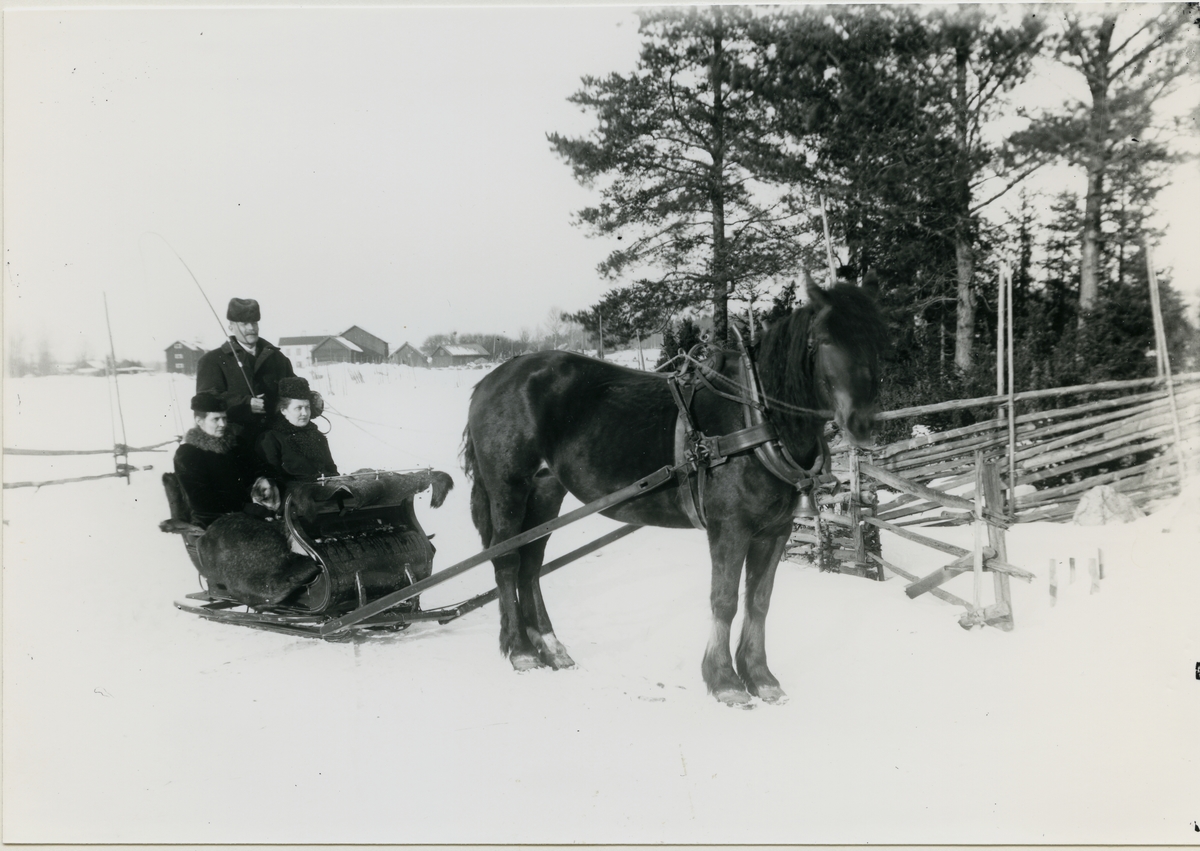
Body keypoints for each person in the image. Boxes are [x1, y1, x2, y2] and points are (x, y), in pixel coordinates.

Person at [195, 297, 295, 442]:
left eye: (254, 323)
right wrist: (246, 404)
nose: (251, 328)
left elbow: (293, 390)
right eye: (244, 324)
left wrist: (312, 399)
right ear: (231, 327)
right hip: (235, 442)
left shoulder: (277, 358)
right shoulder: (211, 360)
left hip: (276, 439)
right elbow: (205, 401)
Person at [173, 393, 258, 528]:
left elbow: (255, 469)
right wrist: (243, 507)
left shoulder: (235, 443)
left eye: (224, 418)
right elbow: (201, 500)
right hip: (213, 522)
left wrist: (263, 480)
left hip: (248, 512)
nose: (222, 424)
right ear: (199, 421)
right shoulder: (188, 453)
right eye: (216, 419)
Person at [256, 376, 339, 488]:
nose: (305, 413)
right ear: (283, 410)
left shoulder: (317, 435)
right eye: (298, 408)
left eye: (307, 407)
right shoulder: (271, 439)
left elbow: (332, 470)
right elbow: (274, 481)